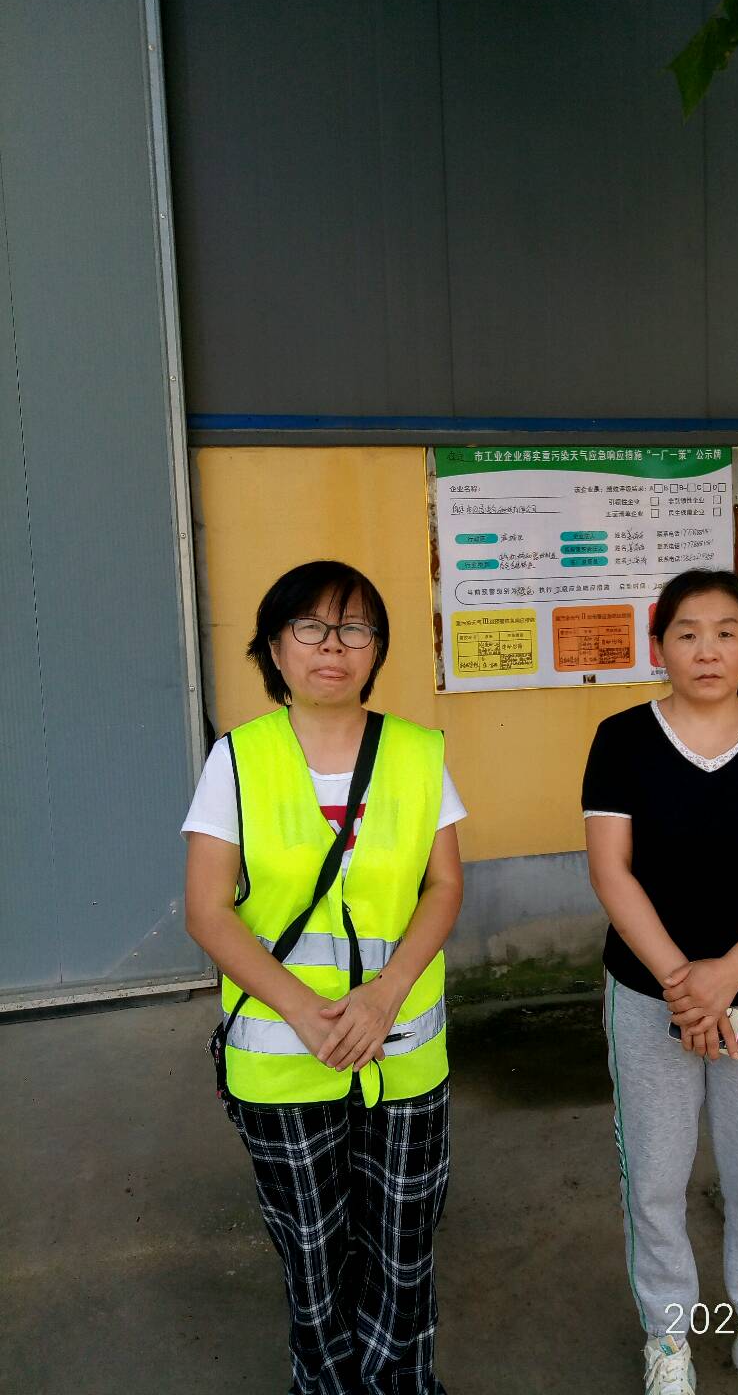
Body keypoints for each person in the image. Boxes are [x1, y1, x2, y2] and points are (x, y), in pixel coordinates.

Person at [183, 559, 465, 1395]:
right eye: (309, 627)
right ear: (274, 648)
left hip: (402, 1052)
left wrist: (385, 995)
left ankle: (403, 1382)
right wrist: (307, 1012)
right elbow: (207, 911)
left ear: (377, 649)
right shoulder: (237, 760)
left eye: (354, 628)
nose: (331, 645)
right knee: (313, 1254)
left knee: (403, 1248)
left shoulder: (418, 754)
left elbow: (444, 886)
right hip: (282, 1059)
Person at [582, 568, 738, 1395]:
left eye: (726, 632)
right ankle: (669, 1339)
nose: (707, 650)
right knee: (654, 1181)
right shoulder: (621, 739)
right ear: (659, 647)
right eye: (686, 633)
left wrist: (728, 977)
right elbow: (612, 871)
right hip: (649, 998)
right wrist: (683, 985)